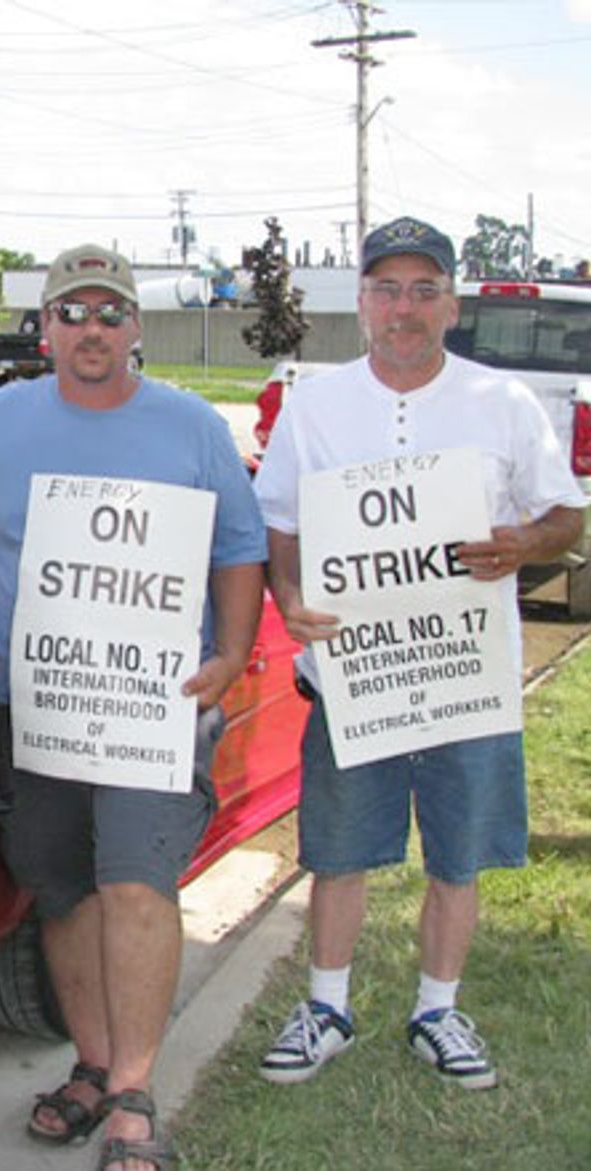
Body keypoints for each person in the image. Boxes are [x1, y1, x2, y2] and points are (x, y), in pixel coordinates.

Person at [0, 245, 267, 1171]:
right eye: (71, 312)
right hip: (34, 702)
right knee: (63, 888)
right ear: (44, 328)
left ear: (136, 328)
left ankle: (132, 1093)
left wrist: (232, 653)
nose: (91, 329)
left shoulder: (191, 426)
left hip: (153, 704)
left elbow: (237, 546)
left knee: (135, 882)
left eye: (109, 312)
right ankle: (89, 1061)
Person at [253, 216, 586, 1090]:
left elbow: (566, 513)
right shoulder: (315, 404)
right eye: (387, 289)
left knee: (458, 850)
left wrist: (522, 543)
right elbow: (280, 518)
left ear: (453, 303)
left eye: (423, 290)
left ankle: (438, 1008)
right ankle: (327, 1003)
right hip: (354, 678)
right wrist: (287, 597)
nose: (404, 308)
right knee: (337, 848)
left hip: (466, 679)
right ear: (361, 302)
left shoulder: (503, 403)